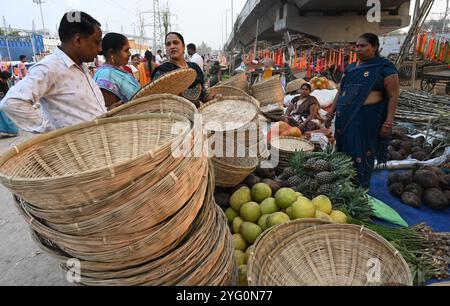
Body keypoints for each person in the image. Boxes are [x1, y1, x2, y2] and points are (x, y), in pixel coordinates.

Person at [0, 11, 106, 133]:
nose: (99, 49)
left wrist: (103, 111)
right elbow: (11, 103)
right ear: (77, 40)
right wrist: (52, 130)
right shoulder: (49, 67)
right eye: (96, 42)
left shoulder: (82, 66)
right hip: (76, 147)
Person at [325, 33, 400, 188]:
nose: (358, 49)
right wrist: (330, 113)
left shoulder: (385, 68)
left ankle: (360, 186)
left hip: (366, 119)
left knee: (361, 151)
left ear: (374, 47)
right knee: (343, 150)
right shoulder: (351, 68)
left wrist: (388, 123)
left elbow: (393, 96)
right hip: (343, 119)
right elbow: (340, 92)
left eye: (363, 45)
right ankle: (343, 183)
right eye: (357, 46)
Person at [152, 32, 216, 108]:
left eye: (175, 43)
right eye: (168, 44)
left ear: (183, 46)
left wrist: (211, 98)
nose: (172, 46)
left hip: (197, 115)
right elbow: (157, 102)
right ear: (166, 48)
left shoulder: (194, 68)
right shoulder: (162, 72)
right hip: (174, 118)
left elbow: (202, 93)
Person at [94, 33, 141, 108]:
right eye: (126, 50)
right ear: (111, 52)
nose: (130, 54)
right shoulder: (106, 75)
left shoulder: (119, 70)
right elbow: (112, 111)